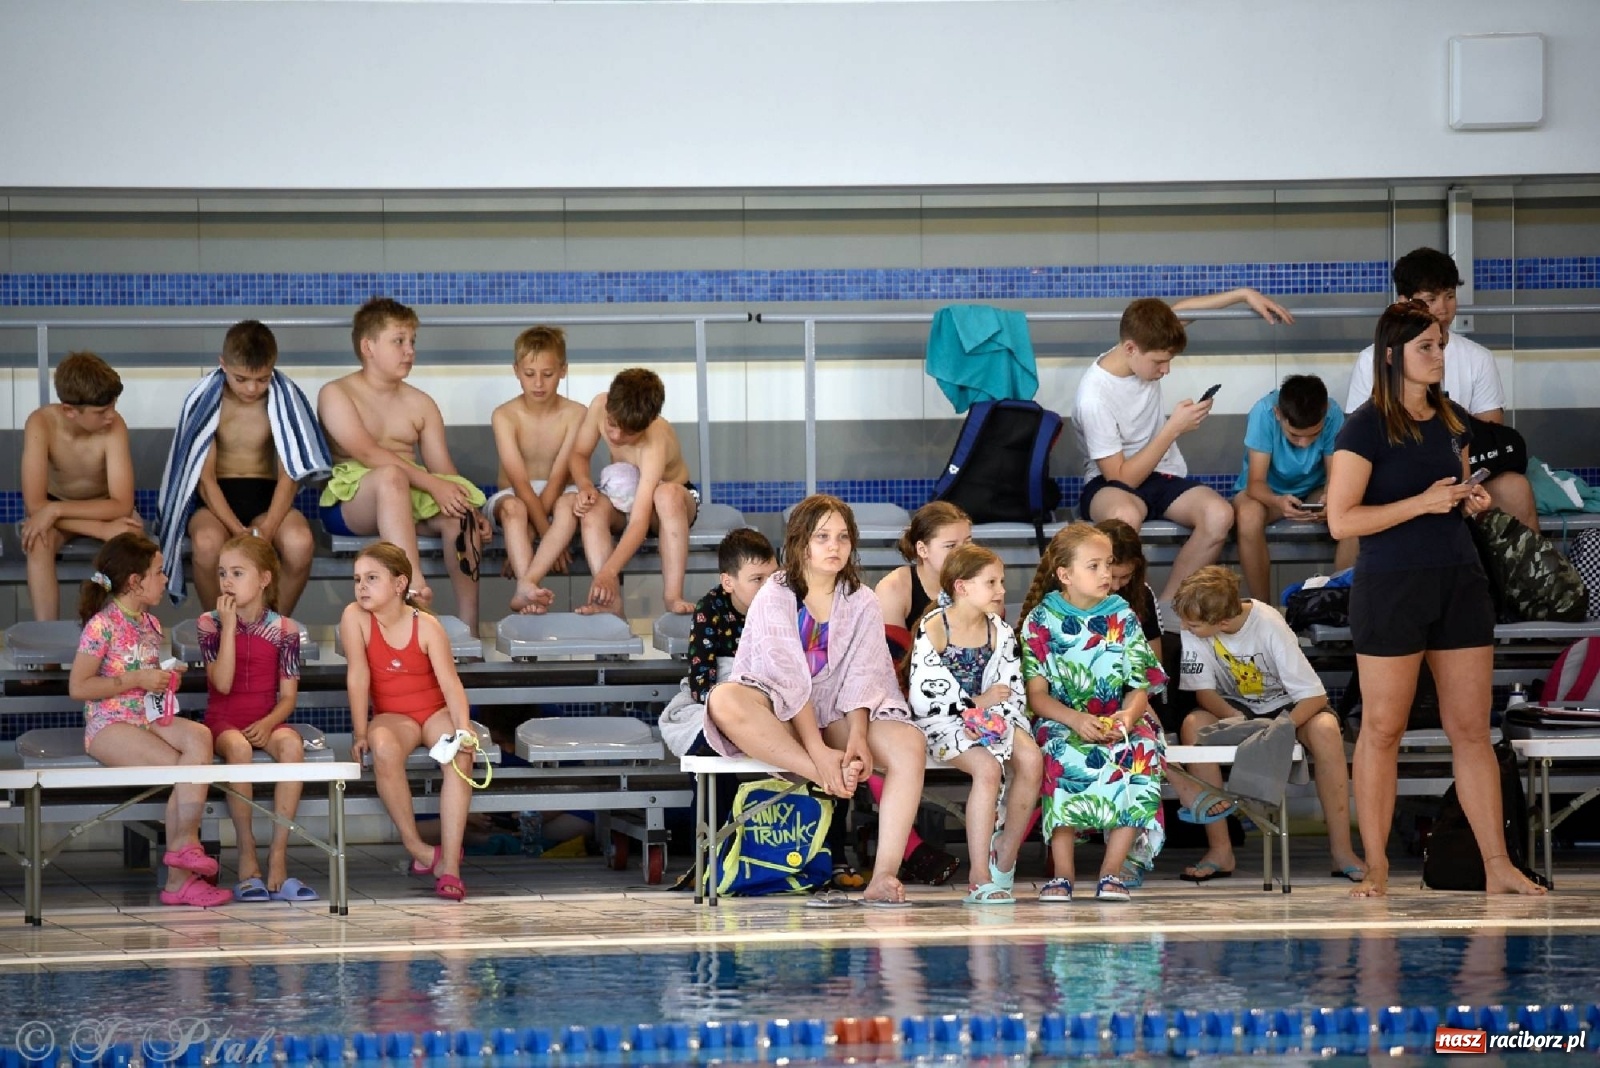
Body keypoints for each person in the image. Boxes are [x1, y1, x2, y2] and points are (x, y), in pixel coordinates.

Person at [1326, 299, 1544, 898]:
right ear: (1391, 355)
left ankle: (1496, 864)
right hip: (1392, 586)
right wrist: (1421, 503)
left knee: (1472, 731)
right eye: (1426, 346)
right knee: (1383, 729)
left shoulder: (1452, 418)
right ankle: (1375, 866)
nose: (1439, 355)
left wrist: (1470, 501)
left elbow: (1457, 489)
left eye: (1441, 344)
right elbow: (1342, 520)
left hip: (1458, 580)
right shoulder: (1364, 426)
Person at [705, 495, 927, 906]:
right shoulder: (775, 593)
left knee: (910, 743)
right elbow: (788, 678)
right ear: (801, 543)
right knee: (724, 700)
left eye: (842, 537)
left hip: (838, 711)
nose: (834, 546)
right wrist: (819, 755)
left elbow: (865, 675)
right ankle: (824, 776)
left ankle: (883, 875)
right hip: (782, 713)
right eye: (822, 537)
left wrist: (858, 739)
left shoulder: (862, 599)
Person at [1072, 288, 1293, 599]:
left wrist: (1243, 295)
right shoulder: (1094, 397)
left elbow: (1187, 309)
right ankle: (1125, 612)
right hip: (1109, 484)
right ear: (1131, 348)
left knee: (1220, 514)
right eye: (1160, 362)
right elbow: (1122, 478)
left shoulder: (1144, 340)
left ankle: (1166, 610)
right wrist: (1173, 429)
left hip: (1160, 476)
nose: (1166, 370)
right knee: (1124, 517)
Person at [67, 533, 232, 908]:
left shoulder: (151, 624)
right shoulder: (101, 625)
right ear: (134, 581)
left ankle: (182, 854)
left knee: (200, 737)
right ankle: (181, 870)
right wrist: (138, 679)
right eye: (159, 572)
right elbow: (79, 686)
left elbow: (146, 679)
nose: (165, 578)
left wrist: (164, 679)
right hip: (109, 724)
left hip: (145, 715)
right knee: (183, 770)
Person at [1171, 565, 1365, 883]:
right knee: (1194, 725)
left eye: (1192, 624)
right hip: (1237, 708)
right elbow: (1205, 694)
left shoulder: (1269, 623)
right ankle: (1220, 849)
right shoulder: (1194, 627)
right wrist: (1238, 721)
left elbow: (1314, 697)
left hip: (1289, 706)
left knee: (1327, 731)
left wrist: (1280, 727)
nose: (1184, 628)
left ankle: (1342, 851)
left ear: (1222, 622)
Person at [317, 298, 490, 625]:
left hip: (407, 500)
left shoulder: (421, 403)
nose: (409, 351)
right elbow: (367, 453)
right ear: (368, 346)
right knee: (390, 476)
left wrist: (469, 507)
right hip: (352, 505)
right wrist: (434, 485)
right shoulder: (337, 393)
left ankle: (470, 628)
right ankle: (413, 586)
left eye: (412, 342)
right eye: (398, 341)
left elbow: (443, 471)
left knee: (459, 519)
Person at [1018, 522, 1167, 902]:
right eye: (1094, 566)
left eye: (1109, 564)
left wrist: (1127, 718)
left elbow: (1139, 687)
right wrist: (1075, 720)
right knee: (1059, 754)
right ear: (1065, 575)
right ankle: (1063, 873)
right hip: (1061, 720)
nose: (1106, 574)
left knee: (1141, 752)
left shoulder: (1123, 616)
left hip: (1118, 719)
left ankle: (1111, 871)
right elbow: (1038, 697)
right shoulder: (1040, 621)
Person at [1345, 247, 1538, 532]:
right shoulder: (1371, 360)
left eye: (1449, 296)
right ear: (1403, 302)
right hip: (1393, 472)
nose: (1443, 309)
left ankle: (1520, 564)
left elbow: (1490, 435)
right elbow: (1356, 445)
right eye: (1430, 299)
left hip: (1457, 467)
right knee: (1359, 503)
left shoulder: (1477, 359)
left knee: (1516, 488)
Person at [160, 319, 330, 614]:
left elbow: (290, 474)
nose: (252, 388)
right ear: (223, 364)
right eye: (241, 379)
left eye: (262, 379)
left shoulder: (285, 400)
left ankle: (271, 625)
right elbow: (205, 481)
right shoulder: (205, 402)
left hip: (267, 498)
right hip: (215, 504)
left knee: (300, 543)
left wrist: (269, 527)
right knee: (206, 544)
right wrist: (237, 530)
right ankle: (218, 625)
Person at [905, 544, 1042, 905]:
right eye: (992, 582)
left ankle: (1005, 855)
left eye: (1001, 582)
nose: (1001, 590)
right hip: (942, 722)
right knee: (987, 768)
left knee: (1031, 759)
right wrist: (973, 707)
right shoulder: (935, 627)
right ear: (962, 587)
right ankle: (979, 875)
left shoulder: (999, 630)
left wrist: (988, 718)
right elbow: (924, 697)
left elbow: (1010, 692)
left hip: (992, 717)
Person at [341, 541, 475, 901]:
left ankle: (451, 866)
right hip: (393, 716)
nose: (361, 587)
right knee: (382, 747)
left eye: (372, 578)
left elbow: (450, 684)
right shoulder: (354, 617)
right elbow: (358, 676)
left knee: (460, 756)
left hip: (434, 713)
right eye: (357, 579)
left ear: (399, 584)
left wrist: (463, 727)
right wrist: (360, 732)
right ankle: (418, 848)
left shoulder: (427, 626)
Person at [516, 368, 698, 617]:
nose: (616, 436)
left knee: (666, 495)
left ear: (648, 423)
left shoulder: (654, 443)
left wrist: (609, 571)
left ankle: (673, 596)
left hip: (667, 508)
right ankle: (610, 603)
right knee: (590, 510)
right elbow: (579, 454)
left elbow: (639, 521)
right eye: (612, 425)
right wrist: (585, 486)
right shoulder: (600, 406)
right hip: (623, 497)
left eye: (629, 433)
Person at [198, 534, 317, 902]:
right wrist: (229, 627)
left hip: (267, 719)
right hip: (223, 720)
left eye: (237, 573)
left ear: (264, 579)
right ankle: (246, 851)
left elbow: (288, 697)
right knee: (238, 747)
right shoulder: (209, 623)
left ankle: (278, 853)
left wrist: (268, 724)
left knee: (292, 745)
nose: (227, 582)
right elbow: (222, 683)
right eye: (222, 573)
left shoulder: (285, 630)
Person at [21, 351, 142, 622]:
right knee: (37, 541)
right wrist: (100, 530)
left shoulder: (114, 427)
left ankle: (129, 635)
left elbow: (122, 504)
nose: (111, 415)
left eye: (113, 406)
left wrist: (55, 511)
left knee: (132, 536)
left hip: (102, 507)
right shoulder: (40, 424)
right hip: (59, 509)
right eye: (101, 412)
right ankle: (47, 640)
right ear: (70, 411)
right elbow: (36, 506)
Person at [484, 326, 587, 614]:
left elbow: (558, 479)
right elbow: (519, 483)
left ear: (563, 370)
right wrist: (545, 535)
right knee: (514, 509)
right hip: (514, 496)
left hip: (560, 495)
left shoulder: (577, 414)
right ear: (516, 371)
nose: (538, 383)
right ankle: (527, 588)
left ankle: (526, 583)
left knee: (569, 503)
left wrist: (534, 537)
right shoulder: (504, 415)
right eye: (530, 374)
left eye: (548, 374)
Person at [659, 527, 779, 757]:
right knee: (700, 733)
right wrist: (731, 708)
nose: (768, 587)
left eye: (773, 577)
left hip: (768, 696)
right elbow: (701, 678)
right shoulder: (710, 609)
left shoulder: (784, 605)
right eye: (757, 579)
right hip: (724, 694)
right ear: (728, 582)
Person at [1233, 375, 1355, 601]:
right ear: (1278, 414)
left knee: (1351, 512)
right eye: (1295, 436)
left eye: (1314, 435)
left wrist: (1330, 500)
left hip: (1313, 492)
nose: (1304, 443)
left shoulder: (1333, 414)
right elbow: (1255, 483)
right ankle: (1263, 608)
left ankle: (1340, 602)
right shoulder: (1263, 413)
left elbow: (1335, 477)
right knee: (1249, 516)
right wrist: (1278, 501)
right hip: (1267, 495)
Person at [874, 501, 973, 643]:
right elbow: (893, 654)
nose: (963, 553)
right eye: (951, 546)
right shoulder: (892, 590)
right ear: (922, 549)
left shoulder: (983, 581)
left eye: (967, 543)